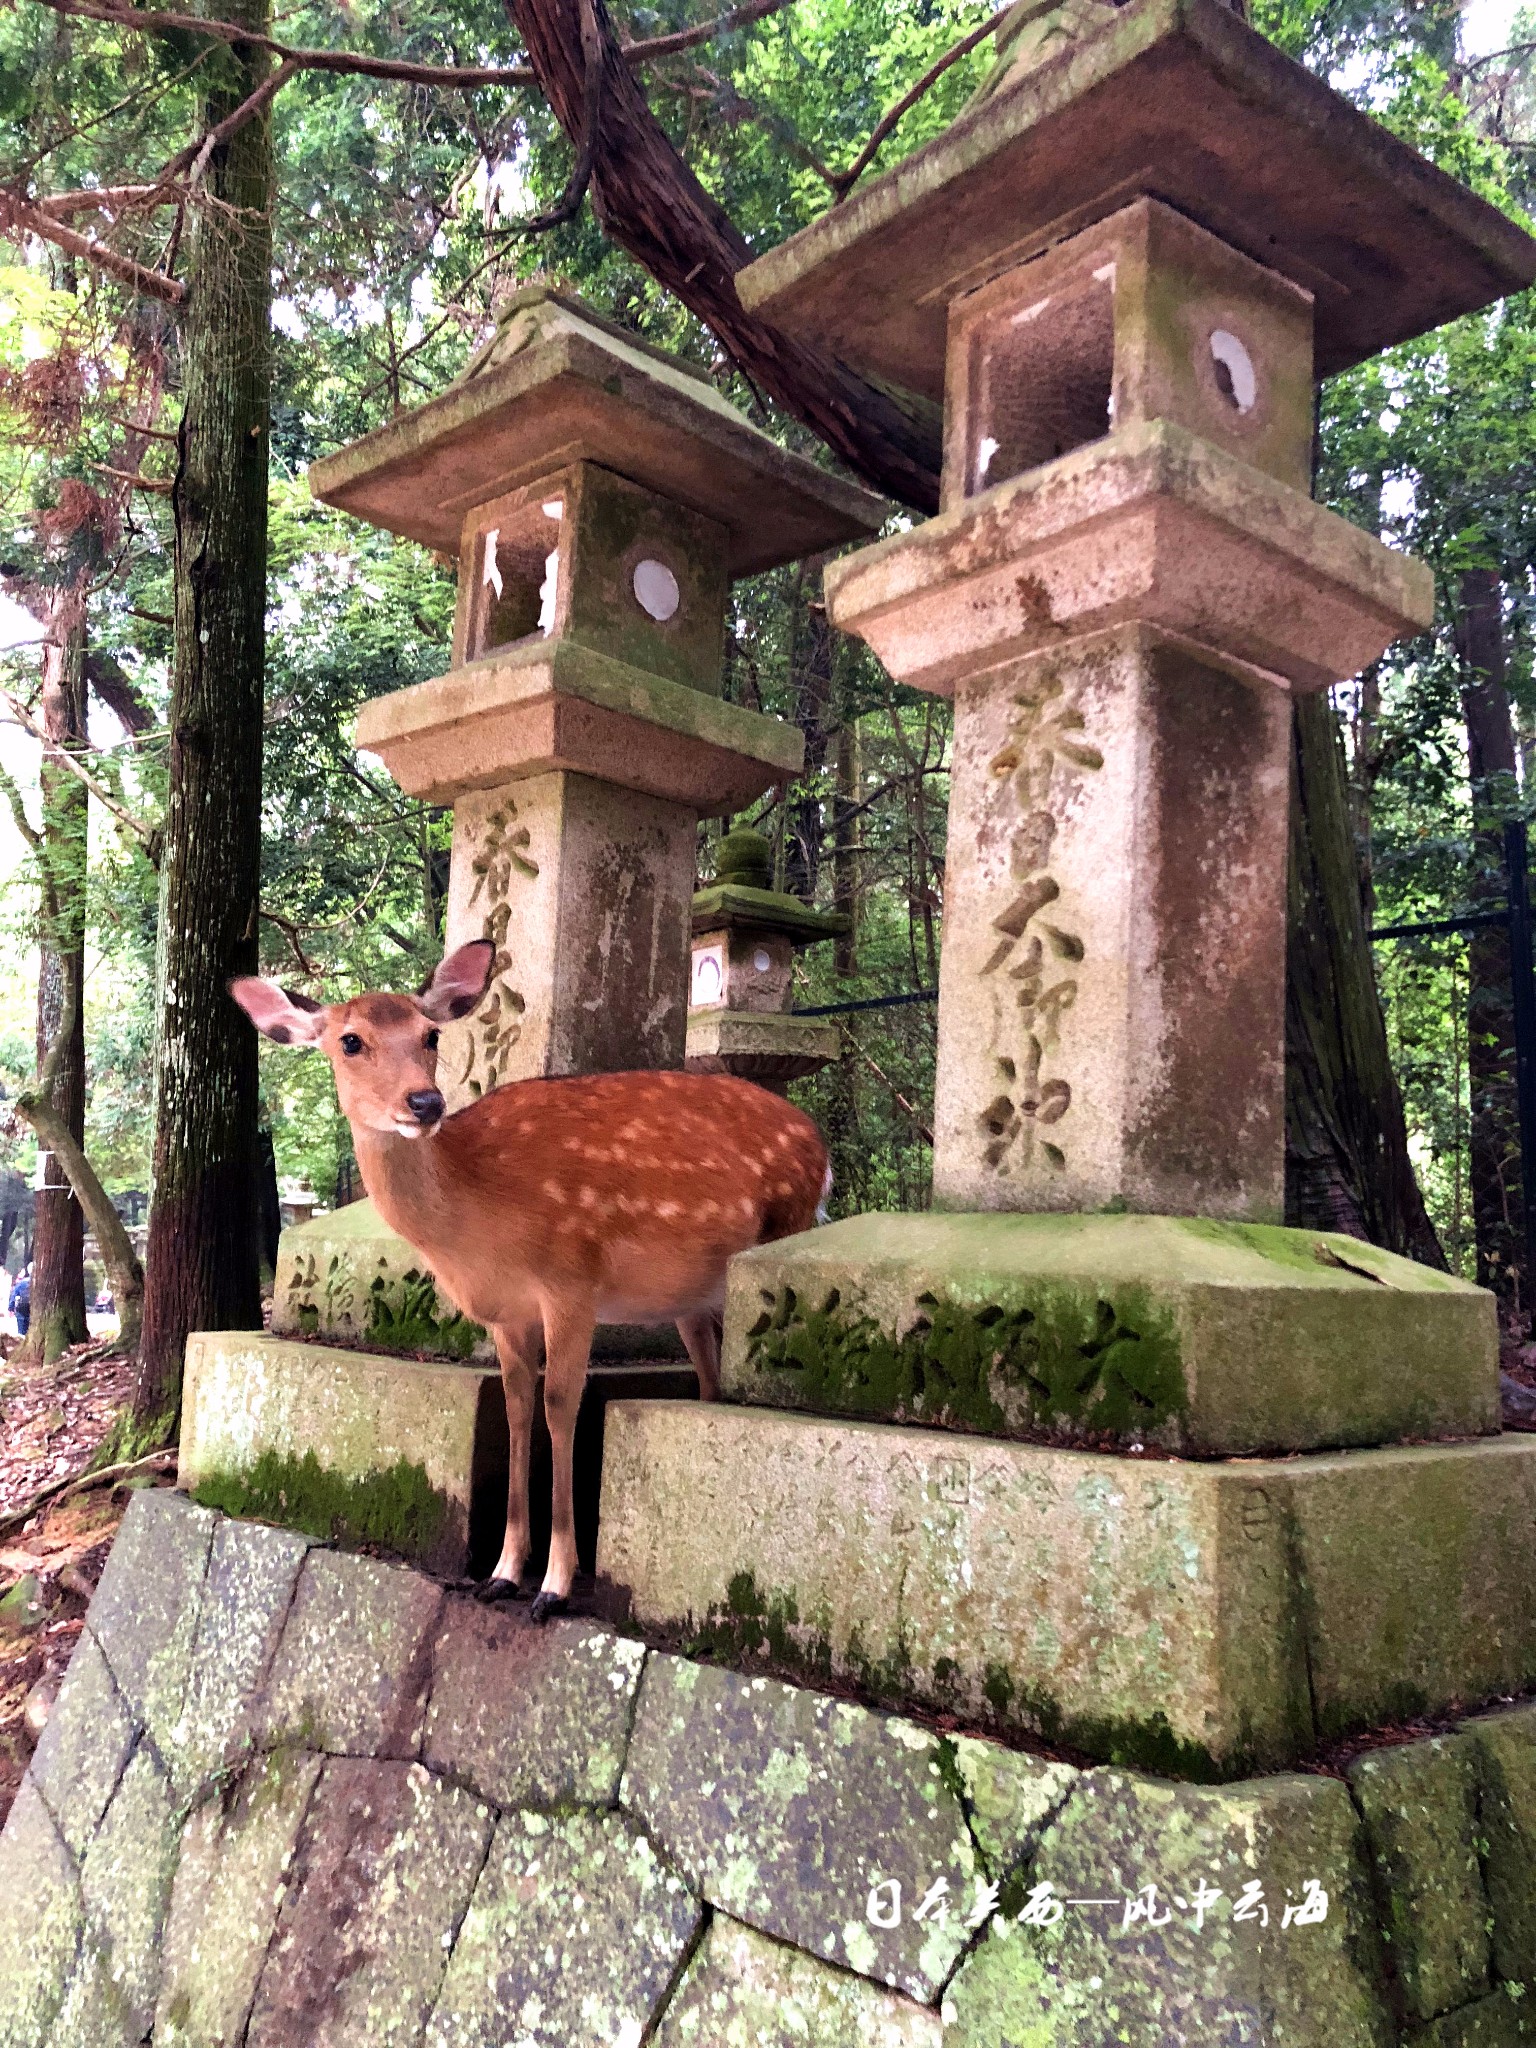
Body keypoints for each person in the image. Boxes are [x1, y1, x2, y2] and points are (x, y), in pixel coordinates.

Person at [10, 1266, 30, 1339]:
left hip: (21, 1309)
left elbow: (14, 1295)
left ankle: (22, 1341)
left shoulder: (22, 1282)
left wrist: (11, 1308)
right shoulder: (41, 1283)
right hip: (33, 1310)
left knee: (21, 1331)